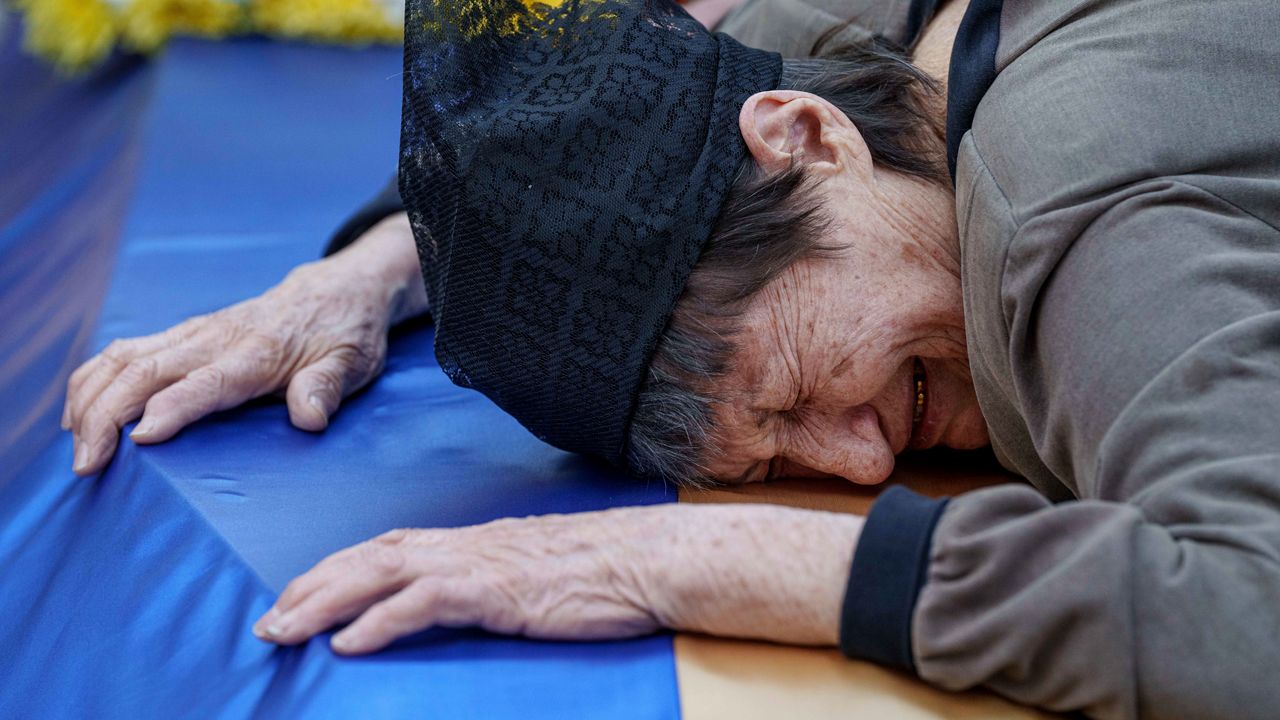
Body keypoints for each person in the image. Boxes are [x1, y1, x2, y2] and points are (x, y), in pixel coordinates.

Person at [61, 0, 1280, 717]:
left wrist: (688, 554)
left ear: (804, 138)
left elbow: (1251, 615)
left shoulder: (1071, 222)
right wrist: (358, 276)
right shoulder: (849, 70)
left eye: (800, 390)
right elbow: (580, 138)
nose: (859, 468)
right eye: (772, 462)